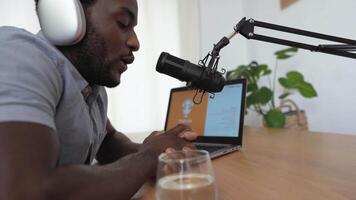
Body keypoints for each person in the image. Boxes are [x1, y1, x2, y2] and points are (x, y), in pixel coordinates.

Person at [0, 0, 197, 199]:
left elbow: (108, 141)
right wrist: (148, 157)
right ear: (63, 15)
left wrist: (161, 152)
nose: (135, 43)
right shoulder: (19, 55)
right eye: (123, 22)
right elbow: (26, 189)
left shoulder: (91, 86)